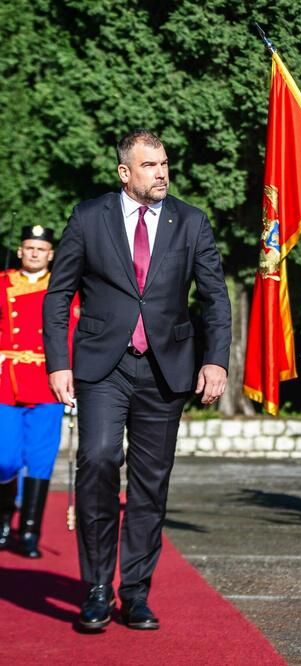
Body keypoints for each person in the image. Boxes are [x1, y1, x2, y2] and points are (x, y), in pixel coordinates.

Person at [43, 129, 231, 631]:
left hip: (165, 370)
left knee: (150, 485)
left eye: (165, 163)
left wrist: (215, 361)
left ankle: (136, 592)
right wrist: (58, 363)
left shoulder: (191, 221)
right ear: (125, 172)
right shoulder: (88, 217)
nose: (162, 172)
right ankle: (98, 586)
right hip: (103, 367)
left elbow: (215, 298)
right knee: (98, 460)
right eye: (150, 165)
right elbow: (58, 295)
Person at [0, 225, 78, 558]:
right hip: (6, 380)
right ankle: (4, 520)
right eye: (28, 248)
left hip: (48, 382)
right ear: (20, 251)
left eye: (40, 249)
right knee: (5, 458)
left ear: (52, 254)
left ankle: (30, 531)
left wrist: (74, 378)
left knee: (41, 460)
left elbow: (73, 334)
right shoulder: (3, 283)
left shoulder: (63, 288)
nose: (34, 253)